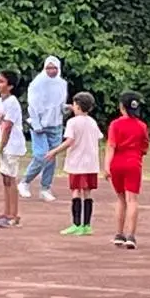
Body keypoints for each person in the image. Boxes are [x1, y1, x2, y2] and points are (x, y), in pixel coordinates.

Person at [44, 91, 102, 236]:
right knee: (87, 193)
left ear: (77, 106)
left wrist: (54, 151)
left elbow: (70, 141)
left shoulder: (72, 122)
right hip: (91, 164)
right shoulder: (92, 122)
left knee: (76, 192)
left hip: (77, 163)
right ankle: (87, 225)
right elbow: (99, 137)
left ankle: (76, 224)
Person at [106, 91, 150, 250]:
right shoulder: (141, 126)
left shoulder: (115, 124)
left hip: (117, 163)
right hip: (133, 163)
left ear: (121, 107)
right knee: (132, 199)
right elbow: (145, 147)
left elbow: (111, 146)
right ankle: (131, 236)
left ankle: (119, 234)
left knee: (120, 199)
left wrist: (106, 166)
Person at [20, 55, 68, 202]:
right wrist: (36, 124)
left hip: (56, 124)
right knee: (41, 155)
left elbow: (60, 104)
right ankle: (25, 182)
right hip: (39, 125)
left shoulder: (62, 83)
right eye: (48, 68)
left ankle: (45, 188)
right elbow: (32, 105)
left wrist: (67, 109)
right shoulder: (37, 84)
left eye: (54, 68)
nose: (51, 71)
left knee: (52, 157)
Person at [0, 71, 25, 228]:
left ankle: (13, 215)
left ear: (10, 86)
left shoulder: (12, 102)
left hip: (12, 144)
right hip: (4, 143)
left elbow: (9, 126)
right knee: (5, 178)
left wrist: (2, 144)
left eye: (2, 81)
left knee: (11, 178)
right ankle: (6, 211)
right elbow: (3, 123)